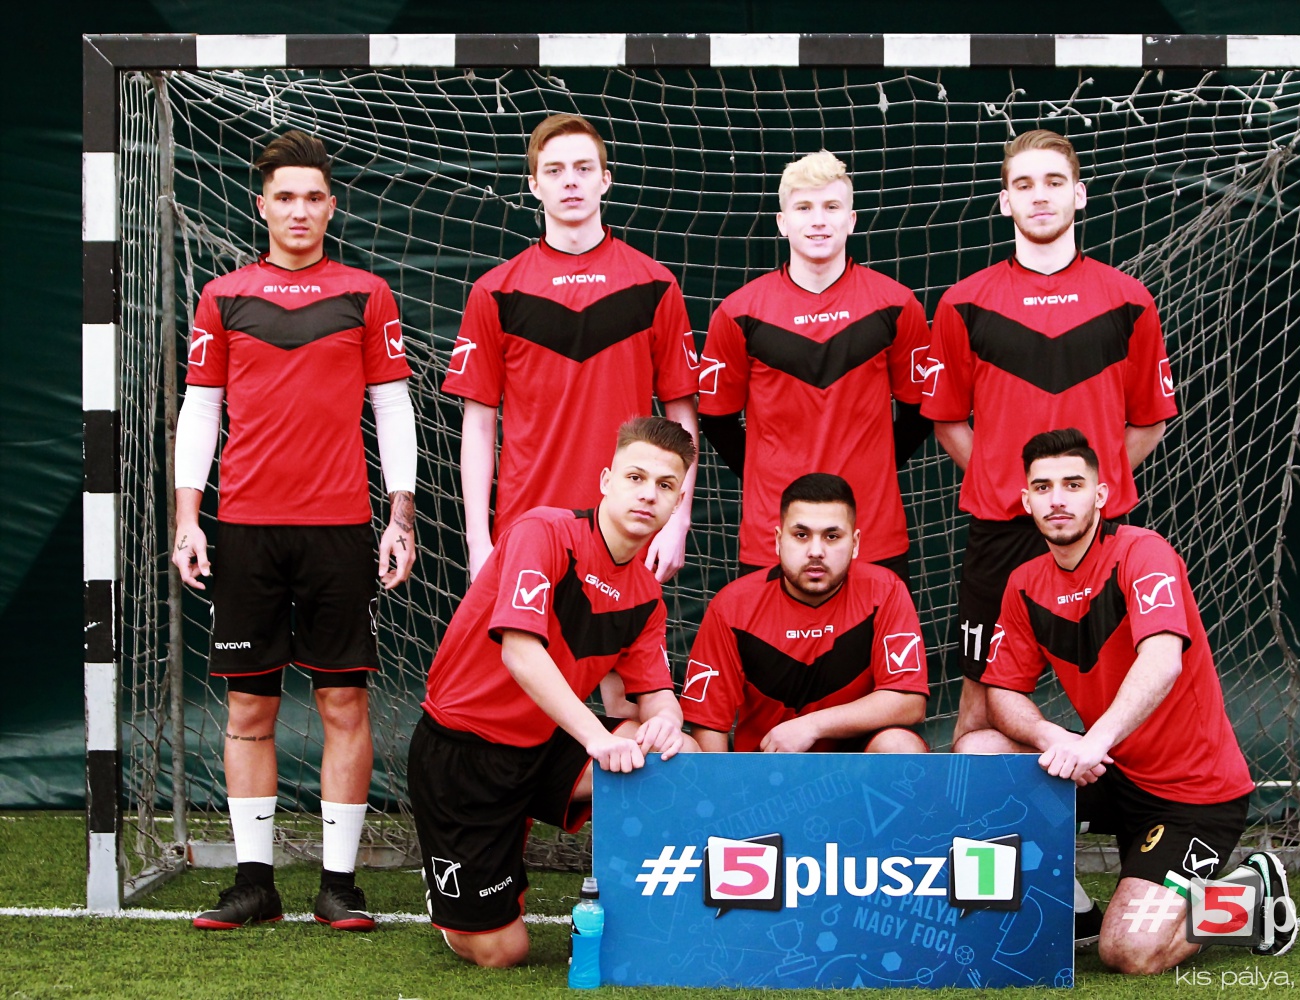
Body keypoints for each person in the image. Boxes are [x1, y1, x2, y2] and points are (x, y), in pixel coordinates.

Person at [171, 130, 418, 931]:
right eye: (285, 197)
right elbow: (201, 410)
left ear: (332, 206)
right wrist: (188, 518)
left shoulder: (366, 294)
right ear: (262, 206)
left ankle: (338, 885)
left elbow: (393, 406)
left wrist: (401, 514)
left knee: (344, 701)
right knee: (249, 709)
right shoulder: (223, 296)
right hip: (245, 530)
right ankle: (255, 884)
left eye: (313, 197)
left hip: (340, 529)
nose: (300, 210)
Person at [964, 428, 1295, 974]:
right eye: (1043, 488)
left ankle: (1252, 893)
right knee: (980, 752)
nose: (1057, 499)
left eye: (1073, 484)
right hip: (1112, 770)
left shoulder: (1143, 552)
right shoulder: (1024, 583)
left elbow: (1162, 661)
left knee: (1131, 952)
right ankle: (1076, 914)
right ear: (1026, 501)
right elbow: (1003, 691)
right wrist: (1053, 737)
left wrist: (1093, 742)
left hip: (1191, 795)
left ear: (1100, 494)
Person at [409, 416, 699, 968]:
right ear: (606, 481)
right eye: (636, 477)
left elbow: (652, 696)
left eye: (665, 486)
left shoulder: (646, 598)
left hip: (542, 748)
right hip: (463, 753)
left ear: (677, 502)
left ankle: (645, 915)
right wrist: (597, 738)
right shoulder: (544, 532)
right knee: (502, 952)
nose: (648, 494)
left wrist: (667, 719)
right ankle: (453, 899)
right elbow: (520, 654)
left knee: (678, 752)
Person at [920, 129, 1178, 750]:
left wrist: (1087, 494)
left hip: (1102, 533)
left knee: (1122, 696)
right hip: (1001, 530)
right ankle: (977, 813)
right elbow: (948, 419)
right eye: (1024, 184)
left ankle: (1116, 799)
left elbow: (1150, 420)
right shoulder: (963, 304)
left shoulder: (1129, 300)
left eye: (1054, 182)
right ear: (1004, 201)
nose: (1040, 196)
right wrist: (1012, 488)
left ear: (1079, 195)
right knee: (978, 708)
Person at [443, 113, 699, 585]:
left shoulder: (654, 285)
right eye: (554, 170)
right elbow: (478, 425)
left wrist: (677, 520)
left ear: (605, 179)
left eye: (583, 168)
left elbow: (681, 417)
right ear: (534, 185)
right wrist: (478, 541)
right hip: (526, 527)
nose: (570, 182)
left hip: (628, 529)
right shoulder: (495, 291)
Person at [698, 151, 931, 579]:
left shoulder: (896, 305)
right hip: (773, 538)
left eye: (831, 207)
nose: (818, 220)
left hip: (873, 534)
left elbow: (920, 413)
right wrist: (769, 477)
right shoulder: (738, 312)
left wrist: (873, 470)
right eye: (804, 208)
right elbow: (716, 420)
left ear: (852, 220)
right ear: (782, 222)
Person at [684, 473, 929, 753]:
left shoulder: (884, 591)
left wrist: (813, 726)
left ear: (855, 543)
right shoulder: (732, 606)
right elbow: (708, 724)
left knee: (899, 745)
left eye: (832, 536)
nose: (816, 551)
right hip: (765, 767)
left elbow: (909, 701)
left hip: (858, 768)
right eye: (801, 535)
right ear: (778, 540)